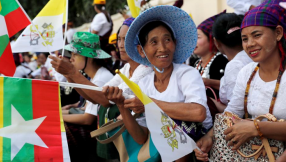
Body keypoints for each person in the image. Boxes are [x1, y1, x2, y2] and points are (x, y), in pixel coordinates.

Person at [103, 5, 213, 162]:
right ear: (141, 50)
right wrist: (121, 105)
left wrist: (148, 104)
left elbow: (198, 113)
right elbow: (142, 138)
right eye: (153, 42)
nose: (162, 48)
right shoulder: (145, 83)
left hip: (200, 148)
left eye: (167, 40)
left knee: (171, 125)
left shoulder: (187, 74)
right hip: (168, 151)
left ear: (174, 43)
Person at [50, 18, 153, 161]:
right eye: (119, 39)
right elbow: (97, 96)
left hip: (140, 140)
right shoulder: (127, 68)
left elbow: (105, 100)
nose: (121, 45)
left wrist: (72, 73)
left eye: (127, 39)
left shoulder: (145, 70)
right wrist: (69, 74)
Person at [195, 1, 286, 161]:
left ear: (278, 33)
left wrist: (255, 128)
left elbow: (252, 127)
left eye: (257, 35)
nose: (250, 44)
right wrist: (210, 136)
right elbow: (232, 113)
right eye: (244, 38)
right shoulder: (247, 72)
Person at [210, 13, 253, 112]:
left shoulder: (234, 65)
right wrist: (210, 82)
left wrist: (209, 101)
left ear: (216, 42)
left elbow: (235, 111)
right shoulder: (252, 55)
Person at [195, 11, 229, 100]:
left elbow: (231, 87)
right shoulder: (197, 63)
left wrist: (209, 82)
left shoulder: (221, 61)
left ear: (211, 39)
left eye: (198, 37)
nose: (193, 42)